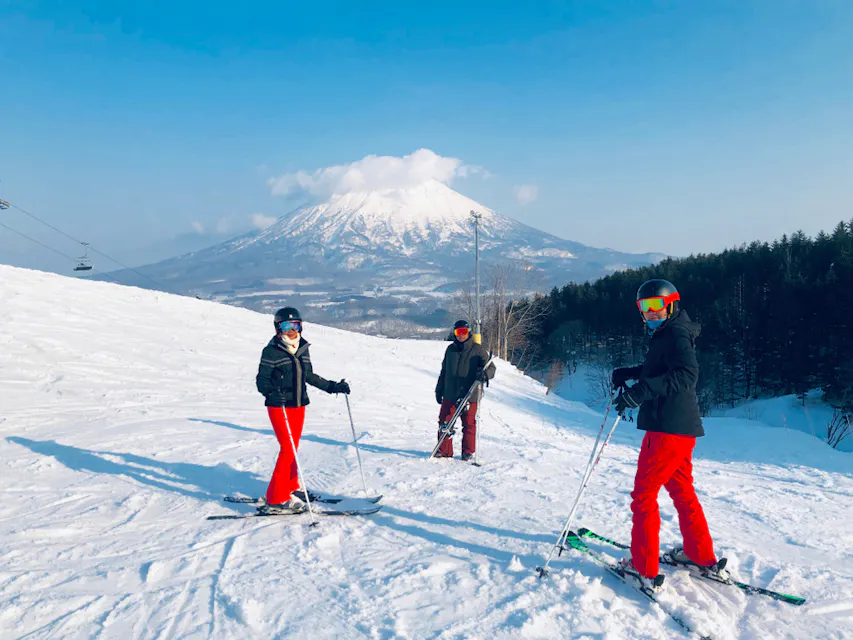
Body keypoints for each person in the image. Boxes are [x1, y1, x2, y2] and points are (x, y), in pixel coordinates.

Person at [611, 279, 725, 593]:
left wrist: (640, 393)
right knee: (682, 492)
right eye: (644, 308)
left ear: (671, 304)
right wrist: (633, 373)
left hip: (667, 430)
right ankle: (698, 554)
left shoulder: (675, 334)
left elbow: (686, 374)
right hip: (680, 429)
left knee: (644, 496)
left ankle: (643, 567)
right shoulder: (671, 331)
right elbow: (663, 368)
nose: (650, 313)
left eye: (655, 306)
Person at [255, 306, 350, 514]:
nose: (291, 330)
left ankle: (290, 487)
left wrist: (333, 387)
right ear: (277, 328)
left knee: (293, 450)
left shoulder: (302, 349)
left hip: (298, 406)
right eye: (286, 326)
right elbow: (261, 380)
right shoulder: (271, 351)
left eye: (295, 325)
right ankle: (275, 499)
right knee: (287, 450)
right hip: (279, 406)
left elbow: (309, 376)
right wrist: (271, 393)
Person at [434, 320, 496, 460]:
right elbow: (444, 371)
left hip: (470, 394)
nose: (460, 335)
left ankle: (468, 452)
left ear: (468, 332)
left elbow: (491, 368)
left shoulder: (477, 350)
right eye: (457, 332)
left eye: (463, 332)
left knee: (468, 424)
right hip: (450, 393)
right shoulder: (450, 350)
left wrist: (484, 375)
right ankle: (443, 450)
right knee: (444, 422)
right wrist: (439, 390)